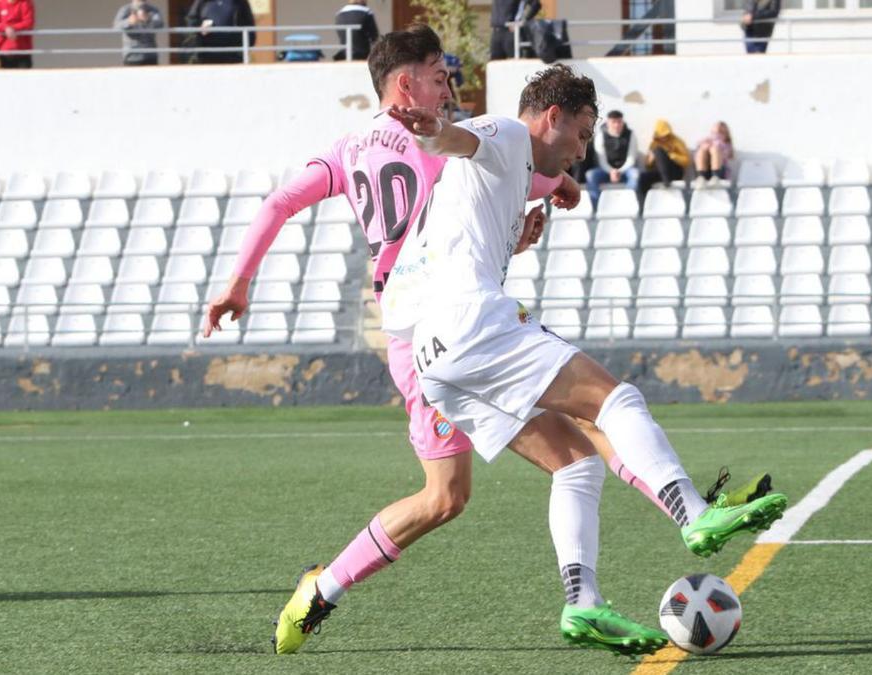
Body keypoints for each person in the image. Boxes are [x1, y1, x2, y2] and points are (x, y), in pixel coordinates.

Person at [202, 26, 764, 656]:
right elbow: (471, 144)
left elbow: (287, 201)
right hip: (455, 317)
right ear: (405, 82)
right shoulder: (449, 133)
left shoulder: (347, 150)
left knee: (502, 480)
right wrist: (539, 177)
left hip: (414, 337)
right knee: (605, 408)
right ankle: (692, 512)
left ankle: (327, 590)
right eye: (441, 73)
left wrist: (238, 282)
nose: (451, 84)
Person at [383, 64, 788, 652]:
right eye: (581, 131)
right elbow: (457, 138)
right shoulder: (508, 134)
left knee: (576, 464)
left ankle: (584, 603)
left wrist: (513, 236)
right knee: (615, 400)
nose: (582, 147)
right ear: (552, 117)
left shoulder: (511, 171)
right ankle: (693, 512)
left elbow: (465, 204)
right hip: (472, 324)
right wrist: (433, 128)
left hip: (436, 359)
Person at [584, 110, 640, 207]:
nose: (617, 125)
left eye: (619, 122)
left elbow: (631, 158)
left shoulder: (631, 134)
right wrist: (611, 171)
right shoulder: (600, 135)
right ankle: (596, 207)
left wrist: (619, 171)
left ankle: (628, 205)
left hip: (625, 171)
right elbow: (601, 159)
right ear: (608, 123)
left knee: (635, 174)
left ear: (622, 122)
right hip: (605, 170)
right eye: (614, 122)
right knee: (591, 175)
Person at [185, 0, 255, 65]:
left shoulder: (239, 2)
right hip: (206, 56)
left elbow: (249, 26)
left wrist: (243, 50)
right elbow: (191, 21)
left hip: (233, 56)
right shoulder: (203, 2)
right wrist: (200, 27)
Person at [638, 119, 689, 200]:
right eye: (662, 135)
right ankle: (644, 203)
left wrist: (672, 155)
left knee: (658, 150)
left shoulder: (677, 141)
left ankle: (666, 182)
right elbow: (647, 166)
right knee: (643, 177)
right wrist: (650, 161)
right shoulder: (654, 144)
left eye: (666, 135)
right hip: (660, 173)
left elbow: (686, 161)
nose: (664, 137)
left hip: (674, 171)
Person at [114, 0, 166, 66]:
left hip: (150, 55)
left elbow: (160, 24)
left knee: (151, 76)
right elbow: (116, 27)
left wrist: (148, 19)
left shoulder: (153, 10)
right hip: (132, 55)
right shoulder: (125, 9)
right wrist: (129, 22)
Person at [0, 0, 35, 69]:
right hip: (5, 51)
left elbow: (28, 22)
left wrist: (13, 28)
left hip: (23, 51)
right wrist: (5, 28)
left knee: (24, 78)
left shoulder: (26, 2)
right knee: (7, 78)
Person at [694, 121, 734, 187]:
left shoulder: (726, 144)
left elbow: (726, 154)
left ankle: (716, 176)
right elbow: (697, 156)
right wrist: (705, 146)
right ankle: (701, 176)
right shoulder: (706, 141)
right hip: (706, 170)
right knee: (702, 150)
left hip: (720, 172)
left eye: (721, 132)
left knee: (714, 149)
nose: (718, 135)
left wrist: (712, 146)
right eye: (715, 133)